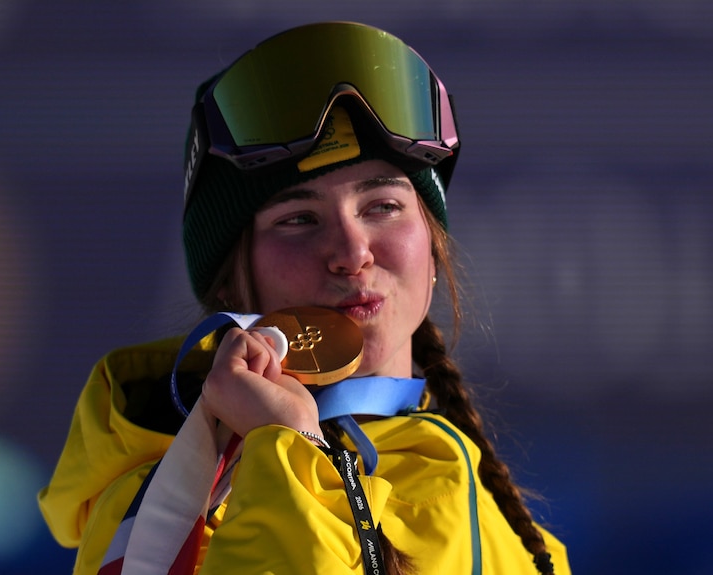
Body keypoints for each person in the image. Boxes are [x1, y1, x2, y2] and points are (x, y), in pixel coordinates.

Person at [38, 21, 571, 575]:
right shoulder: (165, 514)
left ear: (432, 246)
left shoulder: (520, 536)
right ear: (231, 284)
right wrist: (287, 444)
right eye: (298, 219)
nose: (350, 251)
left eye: (383, 206)